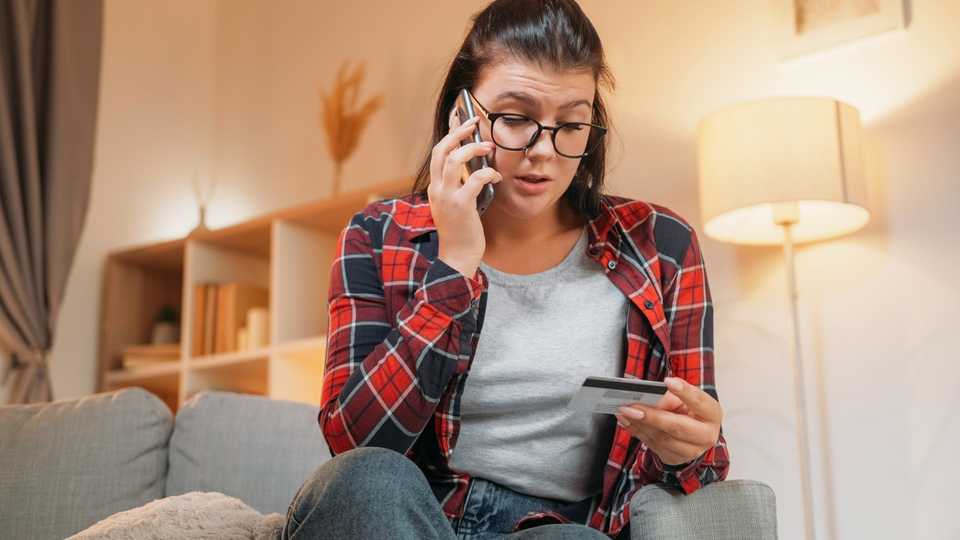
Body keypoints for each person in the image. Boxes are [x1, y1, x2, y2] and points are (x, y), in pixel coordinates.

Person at [282, 1, 729, 538]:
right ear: (461, 115)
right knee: (368, 480)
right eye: (516, 119)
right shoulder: (378, 235)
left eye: (571, 123)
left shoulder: (661, 244)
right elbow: (352, 445)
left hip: (556, 526)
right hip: (409, 515)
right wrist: (453, 266)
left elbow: (699, 464)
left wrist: (692, 449)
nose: (544, 151)